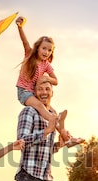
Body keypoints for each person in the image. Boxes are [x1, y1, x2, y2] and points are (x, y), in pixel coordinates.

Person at [14, 16, 84, 148]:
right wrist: (20, 27)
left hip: (33, 94)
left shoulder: (46, 65)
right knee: (42, 108)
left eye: (49, 50)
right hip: (24, 92)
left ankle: (67, 139)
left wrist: (47, 78)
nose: (46, 52)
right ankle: (53, 121)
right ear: (38, 48)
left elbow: (56, 81)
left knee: (53, 112)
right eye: (44, 48)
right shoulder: (30, 55)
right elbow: (24, 41)